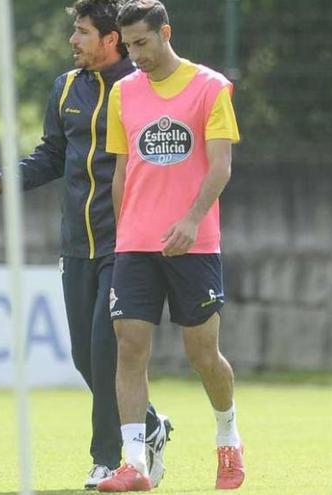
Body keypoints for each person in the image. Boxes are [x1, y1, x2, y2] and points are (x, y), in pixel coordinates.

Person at [0, 0, 171, 489]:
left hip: (127, 243)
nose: (73, 40)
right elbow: (50, 157)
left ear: (110, 38)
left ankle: (107, 459)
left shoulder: (143, 89)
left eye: (82, 31)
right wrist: (2, 180)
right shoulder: (65, 87)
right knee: (82, 356)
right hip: (76, 243)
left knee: (104, 351)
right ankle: (149, 423)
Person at [95, 0, 244, 491]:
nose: (135, 54)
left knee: (203, 353)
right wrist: (124, 232)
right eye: (128, 45)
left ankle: (228, 438)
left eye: (142, 42)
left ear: (165, 33)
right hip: (136, 244)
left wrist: (192, 219)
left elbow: (220, 165)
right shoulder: (123, 93)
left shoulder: (210, 87)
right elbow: (121, 170)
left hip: (193, 244)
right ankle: (135, 463)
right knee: (129, 347)